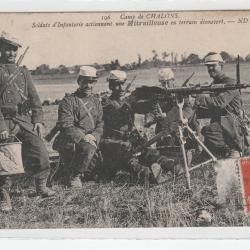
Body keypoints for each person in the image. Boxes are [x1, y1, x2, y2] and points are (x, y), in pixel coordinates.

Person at [0, 33, 55, 212]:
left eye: (14, 49)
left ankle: (41, 186)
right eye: (8, 48)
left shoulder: (23, 72)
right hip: (3, 121)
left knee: (40, 149)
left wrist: (37, 120)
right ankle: (4, 196)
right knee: (6, 157)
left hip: (23, 121)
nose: (11, 53)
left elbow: (35, 100)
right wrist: (1, 126)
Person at [100, 70, 166, 184]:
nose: (121, 88)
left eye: (122, 84)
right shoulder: (106, 103)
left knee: (153, 154)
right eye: (117, 85)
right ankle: (153, 177)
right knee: (133, 164)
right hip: (115, 145)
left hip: (132, 141)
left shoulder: (128, 101)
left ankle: (172, 168)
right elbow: (116, 111)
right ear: (110, 85)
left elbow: (141, 107)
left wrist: (153, 101)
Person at [53, 66, 103, 188]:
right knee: (87, 149)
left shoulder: (96, 101)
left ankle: (66, 169)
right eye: (85, 82)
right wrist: (84, 137)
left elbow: (100, 123)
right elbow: (66, 124)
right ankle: (74, 176)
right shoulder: (68, 101)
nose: (88, 85)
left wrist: (93, 135)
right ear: (78, 82)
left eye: (91, 82)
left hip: (91, 139)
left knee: (98, 169)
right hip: (71, 141)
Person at [194, 52, 243, 158]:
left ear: (221, 65)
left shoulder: (230, 83)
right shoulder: (214, 84)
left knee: (209, 130)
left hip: (232, 123)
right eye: (208, 66)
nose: (210, 69)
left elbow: (220, 102)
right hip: (220, 122)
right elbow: (211, 107)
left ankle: (232, 150)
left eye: (213, 65)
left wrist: (201, 99)